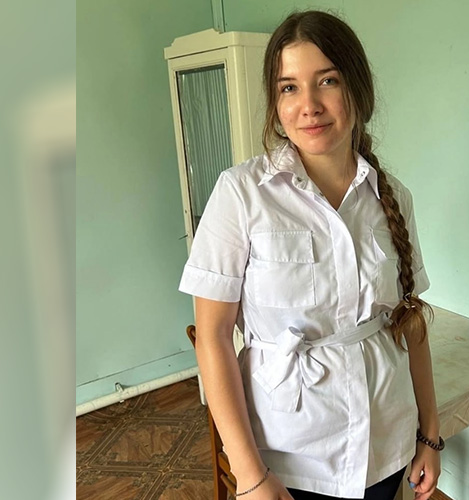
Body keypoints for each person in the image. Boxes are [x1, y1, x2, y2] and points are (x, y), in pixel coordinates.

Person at [178, 11, 442, 500]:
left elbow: (411, 324)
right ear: (275, 102)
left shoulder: (393, 198)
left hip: (385, 443)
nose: (309, 106)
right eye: (289, 87)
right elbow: (212, 337)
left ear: (357, 90)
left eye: (327, 81)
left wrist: (429, 433)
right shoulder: (241, 194)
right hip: (288, 457)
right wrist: (250, 475)